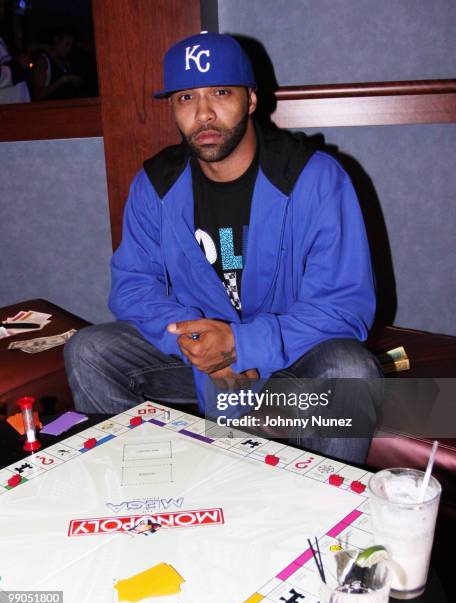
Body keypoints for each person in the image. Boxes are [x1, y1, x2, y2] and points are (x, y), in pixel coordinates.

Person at [64, 32, 382, 463]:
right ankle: (148, 492)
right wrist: (200, 344)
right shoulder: (156, 185)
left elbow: (344, 306)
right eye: (185, 98)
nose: (203, 113)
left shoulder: (315, 178)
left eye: (220, 92)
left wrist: (242, 345)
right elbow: (133, 287)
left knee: (350, 371)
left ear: (251, 99)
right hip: (197, 362)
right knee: (90, 351)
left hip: (290, 363)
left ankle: (323, 521)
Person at [31, 27, 82, 101]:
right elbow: (38, 95)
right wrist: (62, 80)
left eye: (71, 45)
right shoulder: (43, 61)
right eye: (67, 44)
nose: (69, 48)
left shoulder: (65, 63)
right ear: (56, 39)